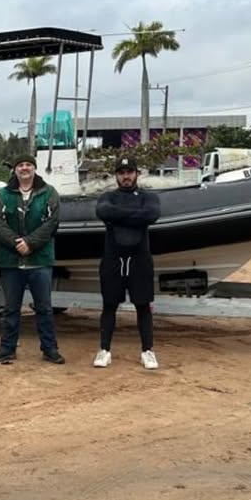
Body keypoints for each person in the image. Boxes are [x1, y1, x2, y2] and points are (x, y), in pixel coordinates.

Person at [0, 155, 63, 364]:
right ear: (15, 170)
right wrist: (16, 243)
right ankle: (7, 348)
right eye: (20, 165)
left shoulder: (49, 193)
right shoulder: (3, 195)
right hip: (11, 261)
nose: (24, 168)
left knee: (44, 308)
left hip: (40, 260)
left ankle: (50, 348)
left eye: (28, 165)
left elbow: (52, 222)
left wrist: (30, 242)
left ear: (34, 168)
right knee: (11, 308)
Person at [94, 155, 162, 370]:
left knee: (143, 305)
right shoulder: (108, 197)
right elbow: (103, 211)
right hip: (113, 258)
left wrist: (118, 217)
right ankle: (104, 350)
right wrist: (136, 216)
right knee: (109, 305)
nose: (126, 176)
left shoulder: (148, 197)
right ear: (116, 175)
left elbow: (152, 214)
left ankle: (147, 351)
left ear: (136, 174)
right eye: (122, 173)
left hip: (139, 258)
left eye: (129, 172)